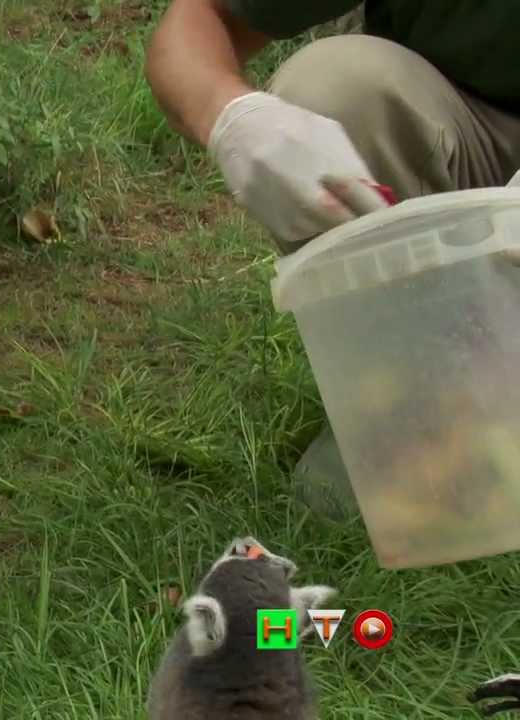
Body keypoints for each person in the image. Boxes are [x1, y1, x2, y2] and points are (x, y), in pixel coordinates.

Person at [144, 1, 520, 518]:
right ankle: (420, 405)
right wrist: (231, 116)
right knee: (334, 88)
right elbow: (198, 22)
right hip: (472, 128)